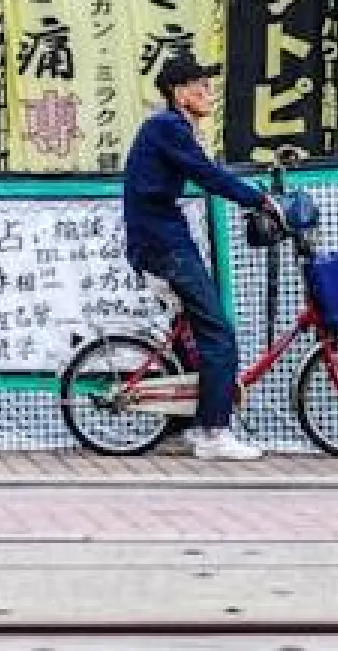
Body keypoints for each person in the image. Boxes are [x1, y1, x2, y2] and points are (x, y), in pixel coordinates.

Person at [123, 55, 276, 462]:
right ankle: (214, 433)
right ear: (179, 93)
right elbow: (207, 175)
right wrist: (260, 199)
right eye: (201, 87)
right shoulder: (168, 127)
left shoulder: (172, 127)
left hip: (161, 239)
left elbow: (206, 172)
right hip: (163, 243)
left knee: (192, 332)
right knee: (218, 335)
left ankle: (189, 422)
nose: (210, 94)